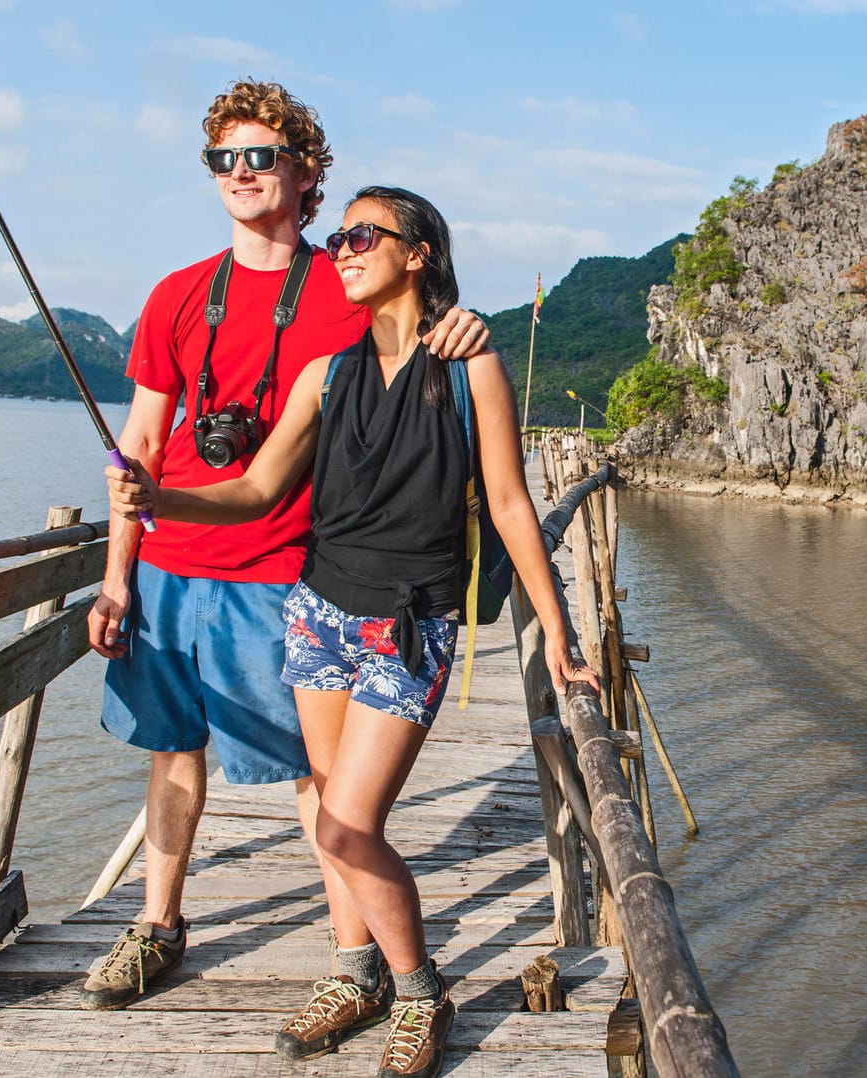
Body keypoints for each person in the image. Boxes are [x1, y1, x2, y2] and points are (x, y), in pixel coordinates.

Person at [107, 185, 596, 1078]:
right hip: (319, 614)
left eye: (365, 234)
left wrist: (558, 632)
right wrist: (158, 499)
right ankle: (358, 972)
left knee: (343, 825)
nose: (343, 246)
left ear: (418, 255)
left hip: (409, 625)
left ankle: (419, 990)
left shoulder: (469, 364)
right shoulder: (324, 374)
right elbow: (254, 491)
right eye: (339, 236)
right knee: (331, 805)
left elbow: (512, 505)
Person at [80, 82, 490, 1013]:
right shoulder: (178, 295)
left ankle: (354, 957)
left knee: (318, 780)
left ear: (308, 173)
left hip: (286, 572)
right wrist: (114, 582)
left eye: (261, 156)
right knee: (171, 751)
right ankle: (158, 925)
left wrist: (469, 327)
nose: (240, 174)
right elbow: (137, 449)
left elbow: (424, 337)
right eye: (223, 159)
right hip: (168, 566)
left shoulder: (347, 279)